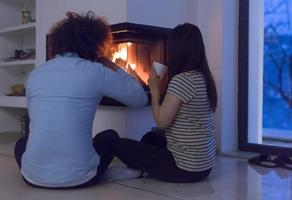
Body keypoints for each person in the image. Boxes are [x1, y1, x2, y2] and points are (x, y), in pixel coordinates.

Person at [14, 11, 148, 189]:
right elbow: (139, 98)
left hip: (31, 178)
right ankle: (101, 173)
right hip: (83, 179)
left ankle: (48, 169)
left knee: (21, 144)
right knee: (110, 137)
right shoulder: (96, 71)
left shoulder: (35, 75)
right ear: (95, 44)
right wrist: (112, 65)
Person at [116, 23, 217, 183]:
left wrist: (155, 89)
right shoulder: (204, 78)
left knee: (118, 144)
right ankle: (143, 169)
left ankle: (138, 170)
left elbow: (162, 122)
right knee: (150, 138)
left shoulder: (182, 80)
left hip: (183, 168)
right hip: (204, 167)